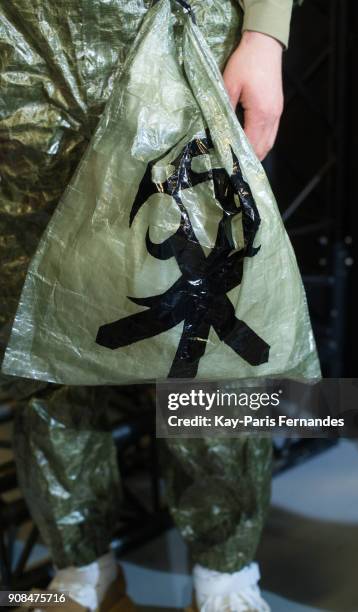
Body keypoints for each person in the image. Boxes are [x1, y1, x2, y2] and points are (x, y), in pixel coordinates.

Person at [0, 1, 296, 610]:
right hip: (24, 47)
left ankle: (225, 572)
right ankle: (81, 567)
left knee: (205, 324)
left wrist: (266, 32)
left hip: (182, 32)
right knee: (44, 327)